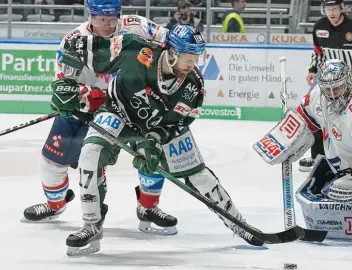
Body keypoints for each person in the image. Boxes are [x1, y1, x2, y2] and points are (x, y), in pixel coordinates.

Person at [55, 24, 265, 256]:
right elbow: (80, 47)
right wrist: (69, 85)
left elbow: (179, 124)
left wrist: (154, 141)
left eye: (196, 58)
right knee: (90, 153)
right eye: (189, 58)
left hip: (158, 128)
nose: (193, 64)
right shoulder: (134, 48)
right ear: (173, 52)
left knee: (199, 175)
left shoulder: (193, 85)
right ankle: (92, 223)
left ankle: (239, 224)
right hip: (117, 112)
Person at [21, 0, 178, 236]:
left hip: (133, 107)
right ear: (90, 16)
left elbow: (173, 45)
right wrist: (83, 95)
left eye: (111, 17)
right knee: (53, 161)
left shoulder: (136, 26)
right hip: (87, 110)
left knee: (152, 153)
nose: (106, 24)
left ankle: (148, 207)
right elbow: (64, 85)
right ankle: (55, 205)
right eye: (100, 18)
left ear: (119, 14)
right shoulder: (74, 40)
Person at [254, 59, 352, 244]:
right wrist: (284, 142)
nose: (332, 95)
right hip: (344, 166)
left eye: (336, 89)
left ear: (348, 83)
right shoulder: (317, 95)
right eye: (327, 89)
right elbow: (303, 120)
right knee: (320, 188)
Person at [300, 0, 352, 172]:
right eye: (328, 9)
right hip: (331, 85)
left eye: (335, 8)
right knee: (320, 117)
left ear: (342, 8)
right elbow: (318, 53)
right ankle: (319, 160)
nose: (332, 12)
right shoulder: (319, 27)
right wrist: (313, 70)